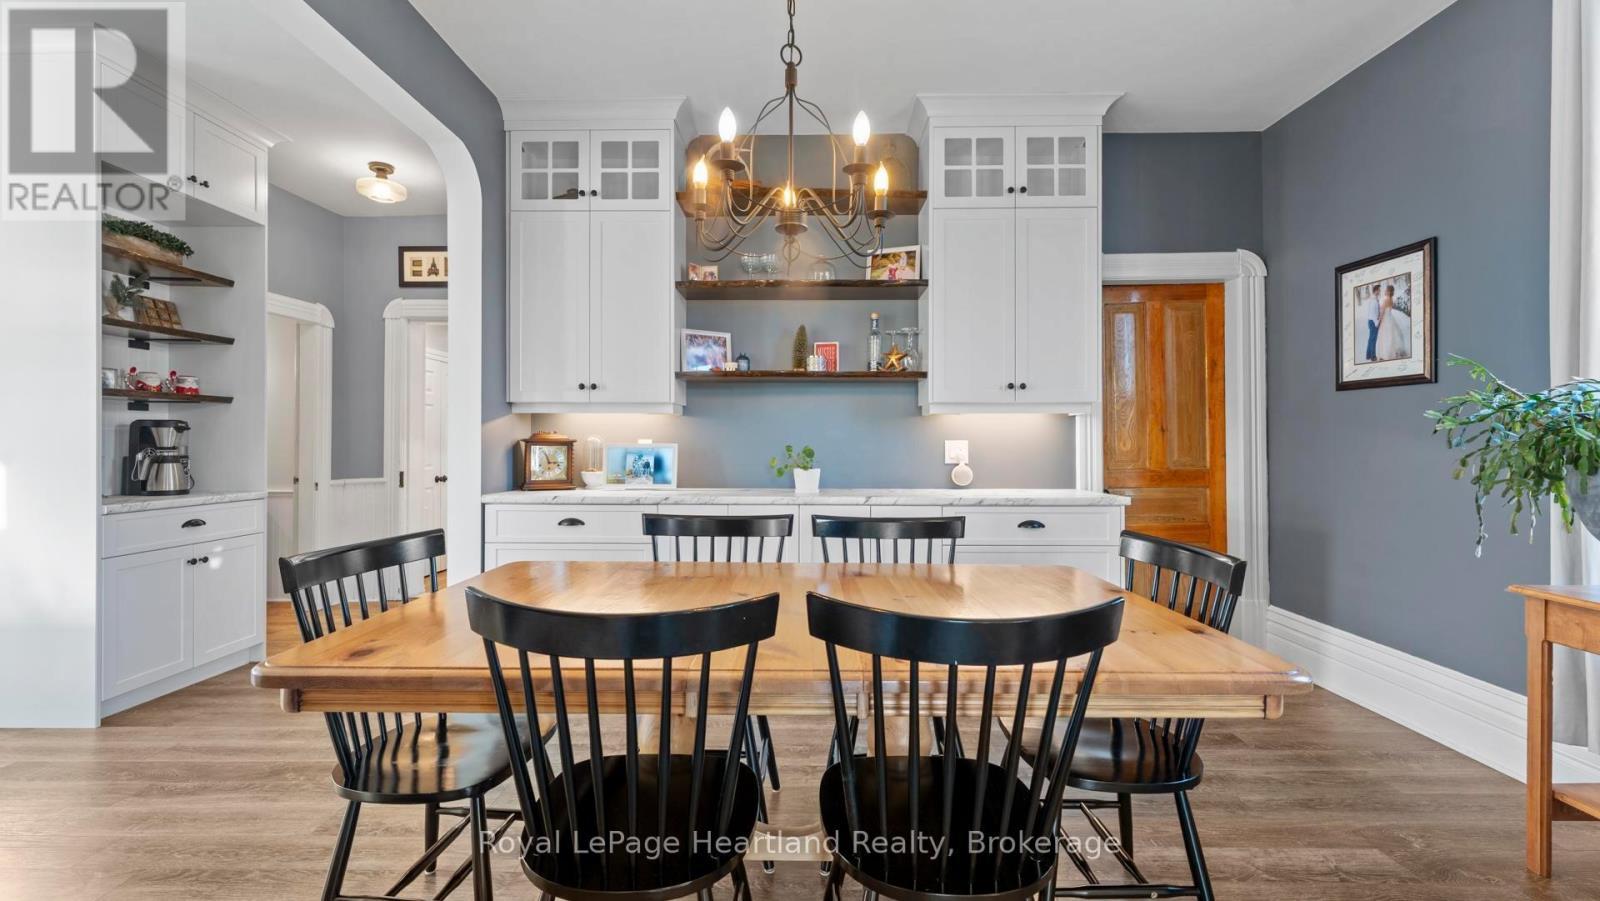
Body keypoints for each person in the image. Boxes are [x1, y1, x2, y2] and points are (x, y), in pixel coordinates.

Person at [1375, 283, 1411, 361]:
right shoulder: (1391, 299)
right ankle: (1392, 352)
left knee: (1385, 336)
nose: (1385, 291)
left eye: (1386, 290)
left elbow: (1382, 312)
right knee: (1391, 336)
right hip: (1390, 318)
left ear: (1388, 291)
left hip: (1385, 319)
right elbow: (1389, 310)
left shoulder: (1386, 300)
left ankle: (1386, 354)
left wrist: (1379, 322)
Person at [1359, 285, 1380, 362]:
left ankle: (1368, 355)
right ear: (1375, 291)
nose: (1379, 291)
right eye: (1379, 290)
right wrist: (1376, 323)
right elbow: (1373, 313)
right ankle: (1373, 356)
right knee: (1373, 340)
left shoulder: (1374, 299)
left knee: (1370, 339)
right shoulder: (1373, 300)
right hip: (1373, 321)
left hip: (1371, 321)